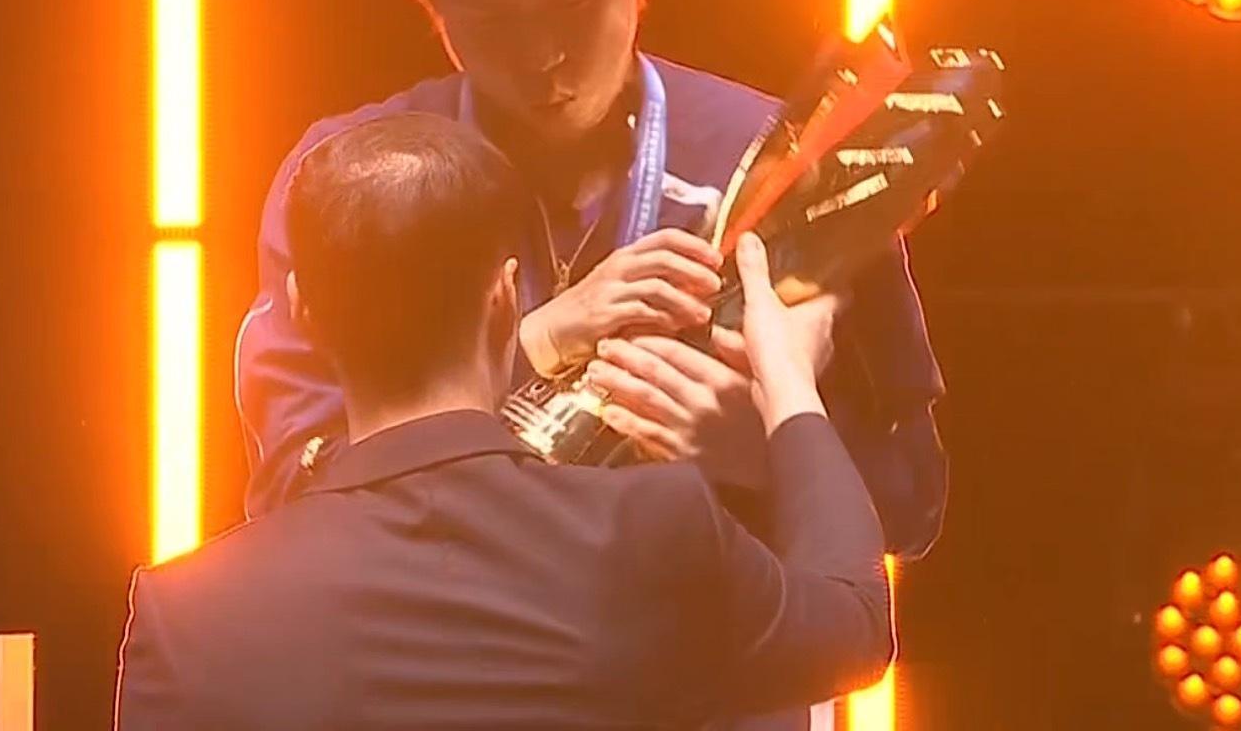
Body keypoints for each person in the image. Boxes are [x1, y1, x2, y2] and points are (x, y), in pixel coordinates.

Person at [236, 0, 947, 562]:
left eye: (575, 5)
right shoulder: (351, 182)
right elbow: (291, 496)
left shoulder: (789, 164)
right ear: (429, 3)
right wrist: (533, 345)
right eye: (491, 22)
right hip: (449, 644)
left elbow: (912, 503)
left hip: (709, 644)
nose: (543, 56)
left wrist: (771, 447)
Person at [116, 114, 893, 729]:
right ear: (504, 296)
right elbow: (855, 624)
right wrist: (788, 379)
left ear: (305, 315)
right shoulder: (650, 532)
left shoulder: (186, 616)